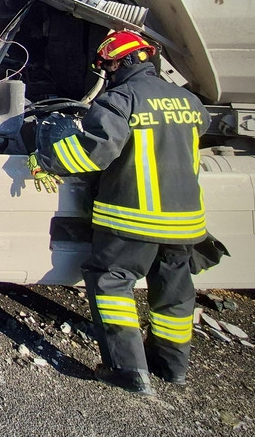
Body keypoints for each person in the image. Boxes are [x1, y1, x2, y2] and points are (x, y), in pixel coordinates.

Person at [29, 30, 210, 396]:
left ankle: (128, 371)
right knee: (174, 294)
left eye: (108, 65)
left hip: (134, 218)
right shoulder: (188, 100)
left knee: (111, 283)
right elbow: (200, 128)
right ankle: (171, 366)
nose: (107, 73)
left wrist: (45, 160)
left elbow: (94, 152)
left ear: (123, 63)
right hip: (185, 222)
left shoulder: (121, 99)